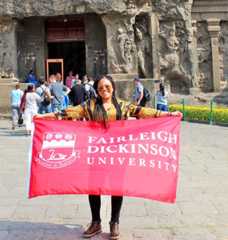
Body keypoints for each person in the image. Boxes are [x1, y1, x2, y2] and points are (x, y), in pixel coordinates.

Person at [36, 75, 182, 240]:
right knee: (93, 188)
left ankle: (114, 222)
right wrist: (43, 117)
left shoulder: (122, 105)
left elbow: (143, 111)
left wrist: (168, 114)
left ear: (113, 87)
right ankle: (96, 222)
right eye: (100, 88)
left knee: (117, 188)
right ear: (96, 90)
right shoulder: (89, 105)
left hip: (118, 153)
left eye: (107, 86)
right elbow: (67, 112)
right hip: (95, 154)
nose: (104, 90)